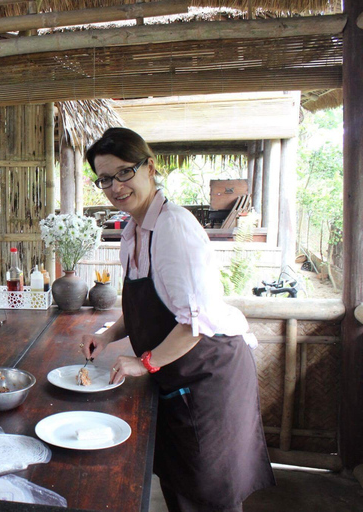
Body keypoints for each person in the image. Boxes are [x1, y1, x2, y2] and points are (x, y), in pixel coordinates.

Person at [81, 128, 274, 512]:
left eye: (123, 172)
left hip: (206, 375)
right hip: (175, 373)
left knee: (207, 494)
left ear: (149, 167)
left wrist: (145, 362)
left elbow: (193, 322)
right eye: (104, 178)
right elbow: (146, 306)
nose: (114, 187)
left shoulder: (173, 227)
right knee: (179, 485)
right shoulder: (134, 231)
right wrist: (106, 335)